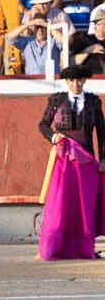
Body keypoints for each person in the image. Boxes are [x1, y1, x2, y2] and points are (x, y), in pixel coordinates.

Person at [36, 64, 105, 260]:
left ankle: (85, 247)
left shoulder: (93, 102)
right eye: (72, 80)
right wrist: (53, 136)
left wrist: (104, 159)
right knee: (61, 204)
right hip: (63, 160)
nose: (76, 84)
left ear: (84, 81)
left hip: (87, 162)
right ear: (67, 82)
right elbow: (42, 125)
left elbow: (102, 133)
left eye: (80, 80)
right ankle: (53, 245)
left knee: (84, 206)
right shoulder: (56, 100)